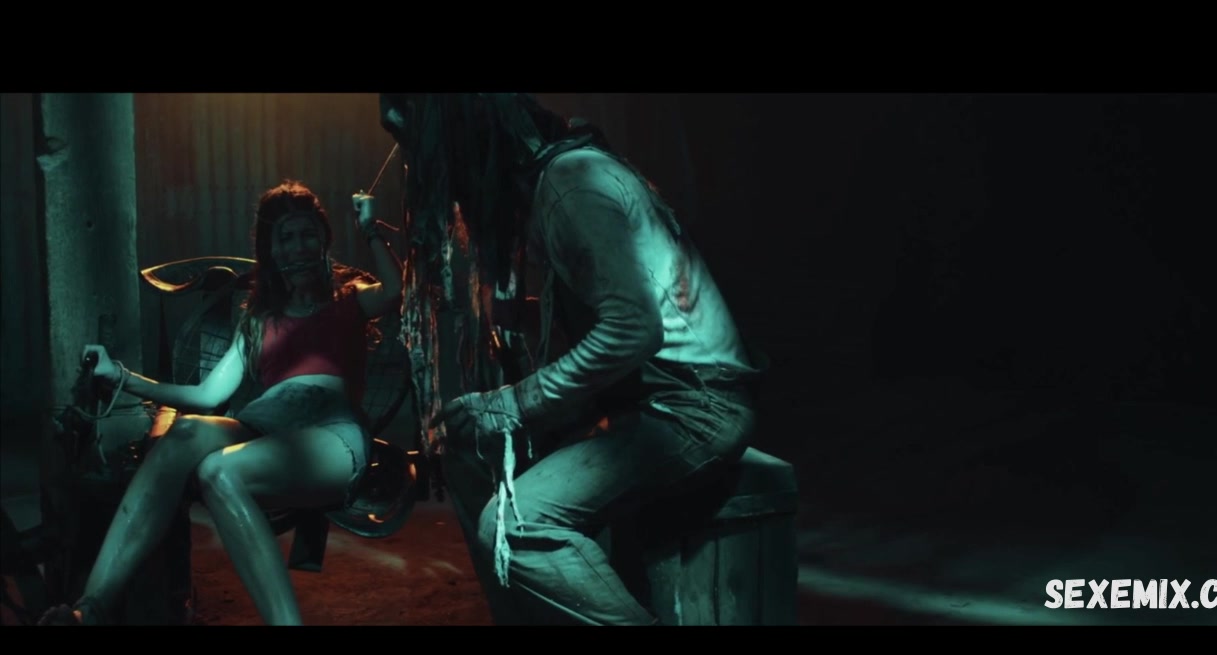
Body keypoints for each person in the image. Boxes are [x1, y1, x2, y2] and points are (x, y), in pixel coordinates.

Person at [381, 93, 764, 625]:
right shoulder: (554, 182)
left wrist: (512, 403)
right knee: (467, 448)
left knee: (517, 527)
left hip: (693, 406)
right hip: (646, 397)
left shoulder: (571, 184)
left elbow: (632, 330)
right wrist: (528, 316)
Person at [39, 180, 403, 625]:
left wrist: (370, 229)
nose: (298, 246)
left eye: (307, 234)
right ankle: (90, 609)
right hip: (262, 424)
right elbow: (207, 396)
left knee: (220, 470)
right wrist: (121, 376)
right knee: (186, 431)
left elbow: (394, 291)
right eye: (285, 237)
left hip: (329, 432)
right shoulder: (260, 319)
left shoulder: (349, 298)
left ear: (323, 240)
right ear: (271, 251)